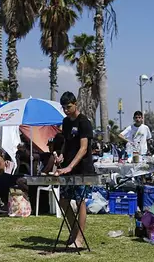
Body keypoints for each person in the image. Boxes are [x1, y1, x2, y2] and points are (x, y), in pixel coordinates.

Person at [55, 91, 95, 249]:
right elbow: (66, 142)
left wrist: (70, 166)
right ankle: (74, 232)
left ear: (75, 104)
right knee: (64, 201)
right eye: (63, 107)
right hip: (67, 168)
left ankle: (80, 238)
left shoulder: (84, 122)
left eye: (68, 107)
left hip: (82, 168)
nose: (66, 110)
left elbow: (83, 148)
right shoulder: (65, 122)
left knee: (80, 202)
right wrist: (61, 156)